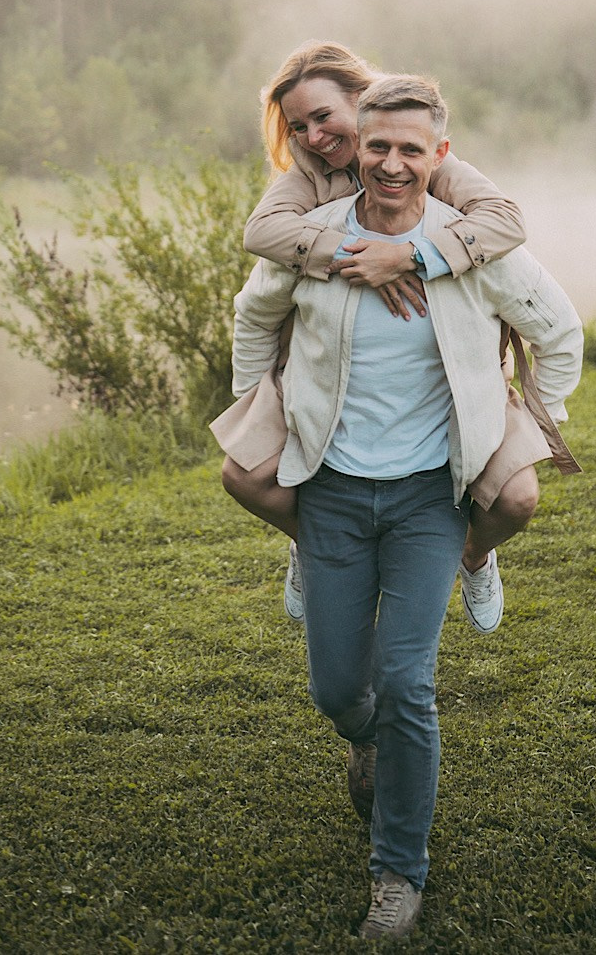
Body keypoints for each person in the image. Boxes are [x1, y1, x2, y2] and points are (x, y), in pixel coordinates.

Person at [227, 75, 583, 939]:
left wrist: (527, 427)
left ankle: (398, 874)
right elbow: (252, 319)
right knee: (338, 690)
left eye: (410, 150)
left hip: (432, 495)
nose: (392, 163)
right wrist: (256, 416)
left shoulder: (470, 248)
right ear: (357, 148)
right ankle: (372, 743)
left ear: (440, 157)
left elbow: (558, 332)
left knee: (408, 683)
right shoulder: (315, 240)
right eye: (377, 147)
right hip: (335, 494)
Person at [213, 40, 544, 633]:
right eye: (298, 126)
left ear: (362, 101)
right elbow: (261, 233)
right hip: (330, 366)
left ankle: (474, 554)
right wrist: (356, 256)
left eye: (323, 116)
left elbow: (507, 221)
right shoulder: (309, 176)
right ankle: (313, 546)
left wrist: (410, 257)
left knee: (517, 498)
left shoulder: (424, 159)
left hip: (444, 363)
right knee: (244, 474)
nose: (314, 136)